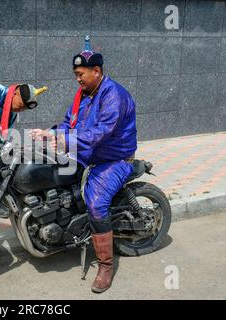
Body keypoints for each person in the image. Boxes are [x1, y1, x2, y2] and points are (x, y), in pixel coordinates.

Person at [31, 36, 137, 293]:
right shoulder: (83, 94)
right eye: (75, 74)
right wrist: (51, 133)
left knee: (97, 203)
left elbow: (102, 132)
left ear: (97, 71)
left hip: (113, 158)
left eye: (81, 74)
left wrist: (65, 139)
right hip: (87, 153)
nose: (77, 79)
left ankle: (105, 265)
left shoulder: (114, 96)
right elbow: (70, 122)